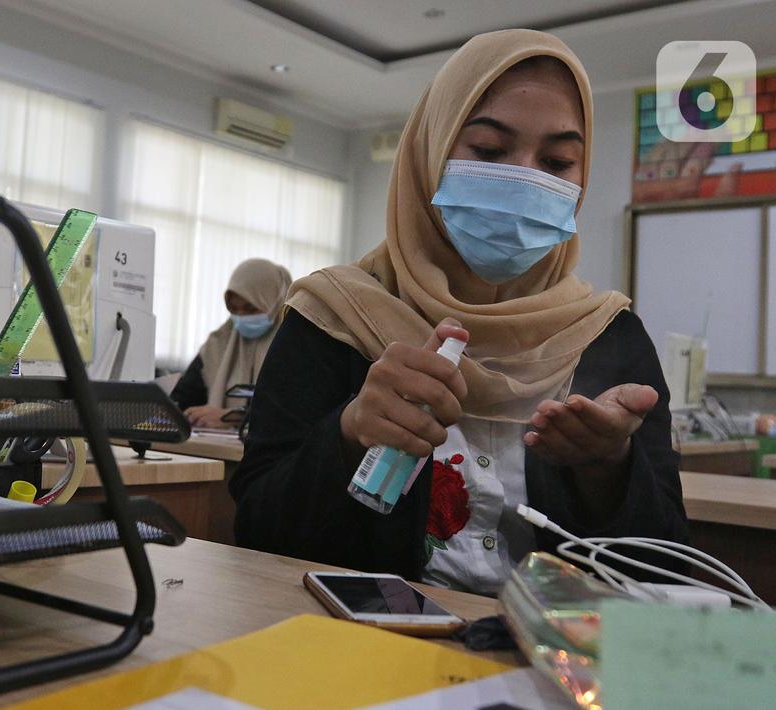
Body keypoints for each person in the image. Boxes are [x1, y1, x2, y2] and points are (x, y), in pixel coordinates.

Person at [230, 30, 688, 595]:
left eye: (557, 161)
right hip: (371, 649)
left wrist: (608, 468)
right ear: (430, 154)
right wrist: (347, 437)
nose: (525, 179)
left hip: (552, 663)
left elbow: (669, 566)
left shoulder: (608, 335)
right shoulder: (335, 316)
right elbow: (255, 531)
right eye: (490, 152)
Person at [171, 258, 292, 429]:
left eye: (250, 308)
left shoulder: (294, 348)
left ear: (274, 303)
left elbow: (292, 410)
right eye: (234, 309)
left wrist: (232, 417)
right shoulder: (219, 343)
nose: (241, 317)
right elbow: (182, 398)